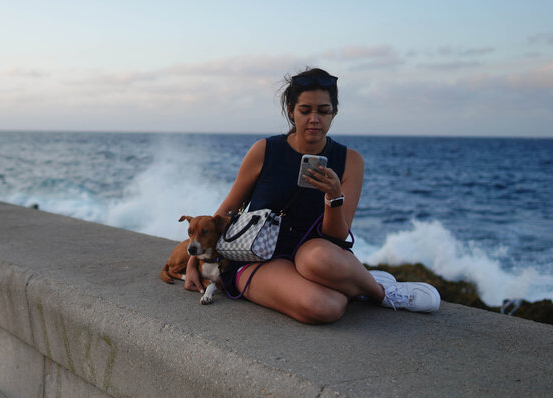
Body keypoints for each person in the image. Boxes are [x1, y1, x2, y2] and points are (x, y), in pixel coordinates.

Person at [184, 67, 440, 324]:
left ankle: (381, 294)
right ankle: (356, 282)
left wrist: (333, 196)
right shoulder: (264, 150)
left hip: (318, 256)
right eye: (305, 110)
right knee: (324, 307)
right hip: (259, 255)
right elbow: (223, 215)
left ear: (334, 113)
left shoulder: (351, 161)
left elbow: (337, 236)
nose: (314, 119)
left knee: (316, 257)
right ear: (291, 111)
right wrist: (193, 261)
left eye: (323, 111)